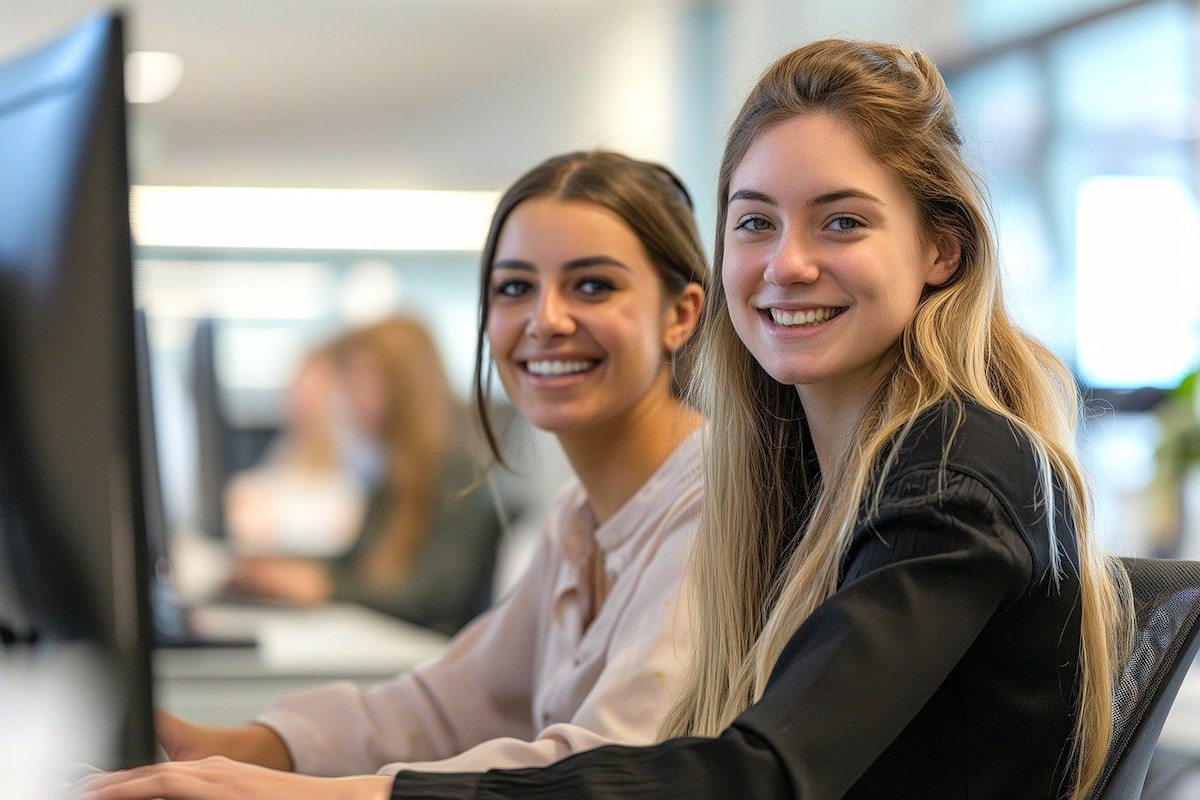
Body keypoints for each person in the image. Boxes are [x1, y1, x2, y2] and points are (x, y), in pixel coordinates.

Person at [80, 40, 1133, 800]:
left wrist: (317, 795)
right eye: (756, 222)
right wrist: (225, 748)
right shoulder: (796, 476)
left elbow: (760, 772)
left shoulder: (953, 468)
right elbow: (450, 704)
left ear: (940, 250)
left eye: (842, 220)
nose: (787, 262)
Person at [81, 149, 708, 794]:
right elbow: (447, 705)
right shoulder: (579, 517)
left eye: (593, 285)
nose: (545, 319)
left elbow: (606, 772)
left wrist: (297, 792)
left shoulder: (713, 510)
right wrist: (238, 746)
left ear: (680, 314)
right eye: (514, 287)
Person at [226, 315, 505, 635]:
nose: (350, 397)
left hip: (431, 657)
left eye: (363, 380)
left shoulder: (458, 474)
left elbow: (432, 597)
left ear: (405, 386)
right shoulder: (393, 473)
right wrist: (292, 570)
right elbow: (358, 564)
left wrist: (324, 587)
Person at [223, 345, 368, 560]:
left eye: (312, 392)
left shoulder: (357, 453)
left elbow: (343, 526)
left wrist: (275, 520)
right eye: (297, 390)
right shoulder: (292, 446)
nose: (299, 402)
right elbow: (248, 499)